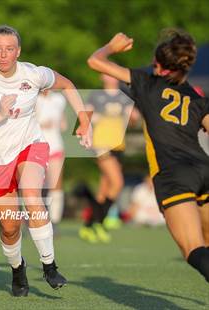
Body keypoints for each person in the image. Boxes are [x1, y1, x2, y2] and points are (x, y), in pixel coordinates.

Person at [0, 25, 91, 296]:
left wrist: (85, 118)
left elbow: (67, 84)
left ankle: (49, 266)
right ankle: (18, 269)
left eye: (9, 49)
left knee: (32, 195)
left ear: (18, 51)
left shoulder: (34, 73)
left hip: (31, 145)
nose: (3, 54)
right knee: (9, 227)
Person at [88, 29, 209, 282]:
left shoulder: (146, 82)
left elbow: (95, 62)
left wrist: (111, 46)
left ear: (160, 66)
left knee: (195, 250)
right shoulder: (197, 97)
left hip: (174, 175)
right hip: (204, 168)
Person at [79, 74, 138, 243]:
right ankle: (99, 222)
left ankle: (89, 225)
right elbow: (86, 117)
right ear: (101, 76)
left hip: (118, 145)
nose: (110, 76)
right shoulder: (96, 95)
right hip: (101, 144)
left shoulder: (123, 96)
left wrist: (133, 117)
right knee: (117, 183)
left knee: (104, 188)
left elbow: (134, 118)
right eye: (107, 73)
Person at [35, 90, 67, 232]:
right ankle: (32, 220)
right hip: (36, 147)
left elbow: (63, 122)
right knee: (34, 188)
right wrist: (40, 124)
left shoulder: (59, 99)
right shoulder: (33, 98)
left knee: (56, 186)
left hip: (55, 147)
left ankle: (54, 222)